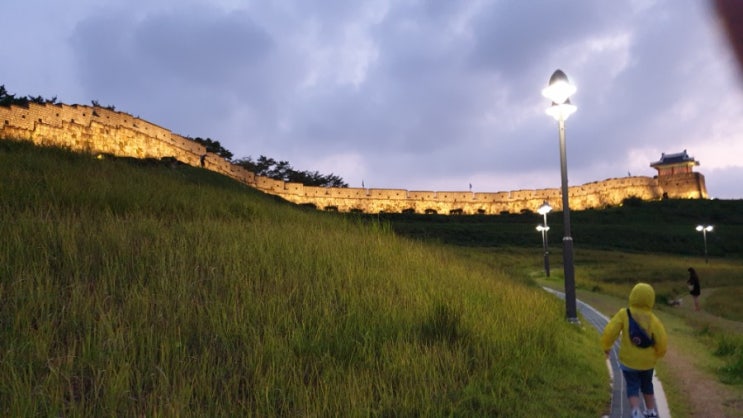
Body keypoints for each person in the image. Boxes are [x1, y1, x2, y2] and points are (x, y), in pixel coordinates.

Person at [601, 283, 668, 418]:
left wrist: (606, 346)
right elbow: (662, 339)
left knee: (632, 386)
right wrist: (659, 353)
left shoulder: (624, 314)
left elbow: (610, 331)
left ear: (633, 296)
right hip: (647, 363)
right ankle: (650, 411)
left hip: (628, 362)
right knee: (647, 385)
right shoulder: (653, 319)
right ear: (651, 299)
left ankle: (636, 411)